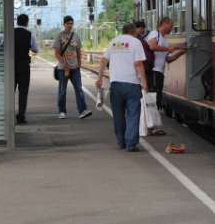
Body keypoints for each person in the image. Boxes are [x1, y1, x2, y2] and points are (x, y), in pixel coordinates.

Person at [96, 22, 148, 152]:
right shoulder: (136, 42)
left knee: (118, 115)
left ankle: (121, 141)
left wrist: (100, 78)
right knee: (133, 114)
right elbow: (139, 64)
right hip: (132, 84)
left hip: (116, 84)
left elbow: (103, 60)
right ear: (133, 31)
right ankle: (131, 143)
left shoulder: (113, 42)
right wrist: (144, 82)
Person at [53, 15, 92, 120]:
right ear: (64, 24)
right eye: (68, 23)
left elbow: (78, 51)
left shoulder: (76, 36)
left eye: (71, 23)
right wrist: (63, 62)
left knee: (79, 89)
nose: (70, 25)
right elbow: (56, 53)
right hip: (63, 69)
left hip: (75, 68)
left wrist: (79, 63)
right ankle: (62, 111)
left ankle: (82, 110)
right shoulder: (59, 36)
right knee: (62, 90)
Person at [146, 17, 186, 110]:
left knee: (158, 96)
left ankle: (153, 118)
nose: (172, 28)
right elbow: (152, 46)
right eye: (171, 26)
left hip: (160, 72)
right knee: (154, 96)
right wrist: (168, 49)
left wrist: (182, 52)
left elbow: (168, 59)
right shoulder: (155, 33)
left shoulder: (164, 41)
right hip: (153, 71)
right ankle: (150, 118)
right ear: (164, 23)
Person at [14, 13, 38, 124]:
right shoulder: (30, 34)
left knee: (10, 91)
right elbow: (35, 49)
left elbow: (2, 46)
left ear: (17, 22)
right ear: (27, 22)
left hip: (11, 65)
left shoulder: (10, 33)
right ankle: (21, 116)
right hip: (24, 65)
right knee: (23, 91)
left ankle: (8, 114)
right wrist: (28, 52)